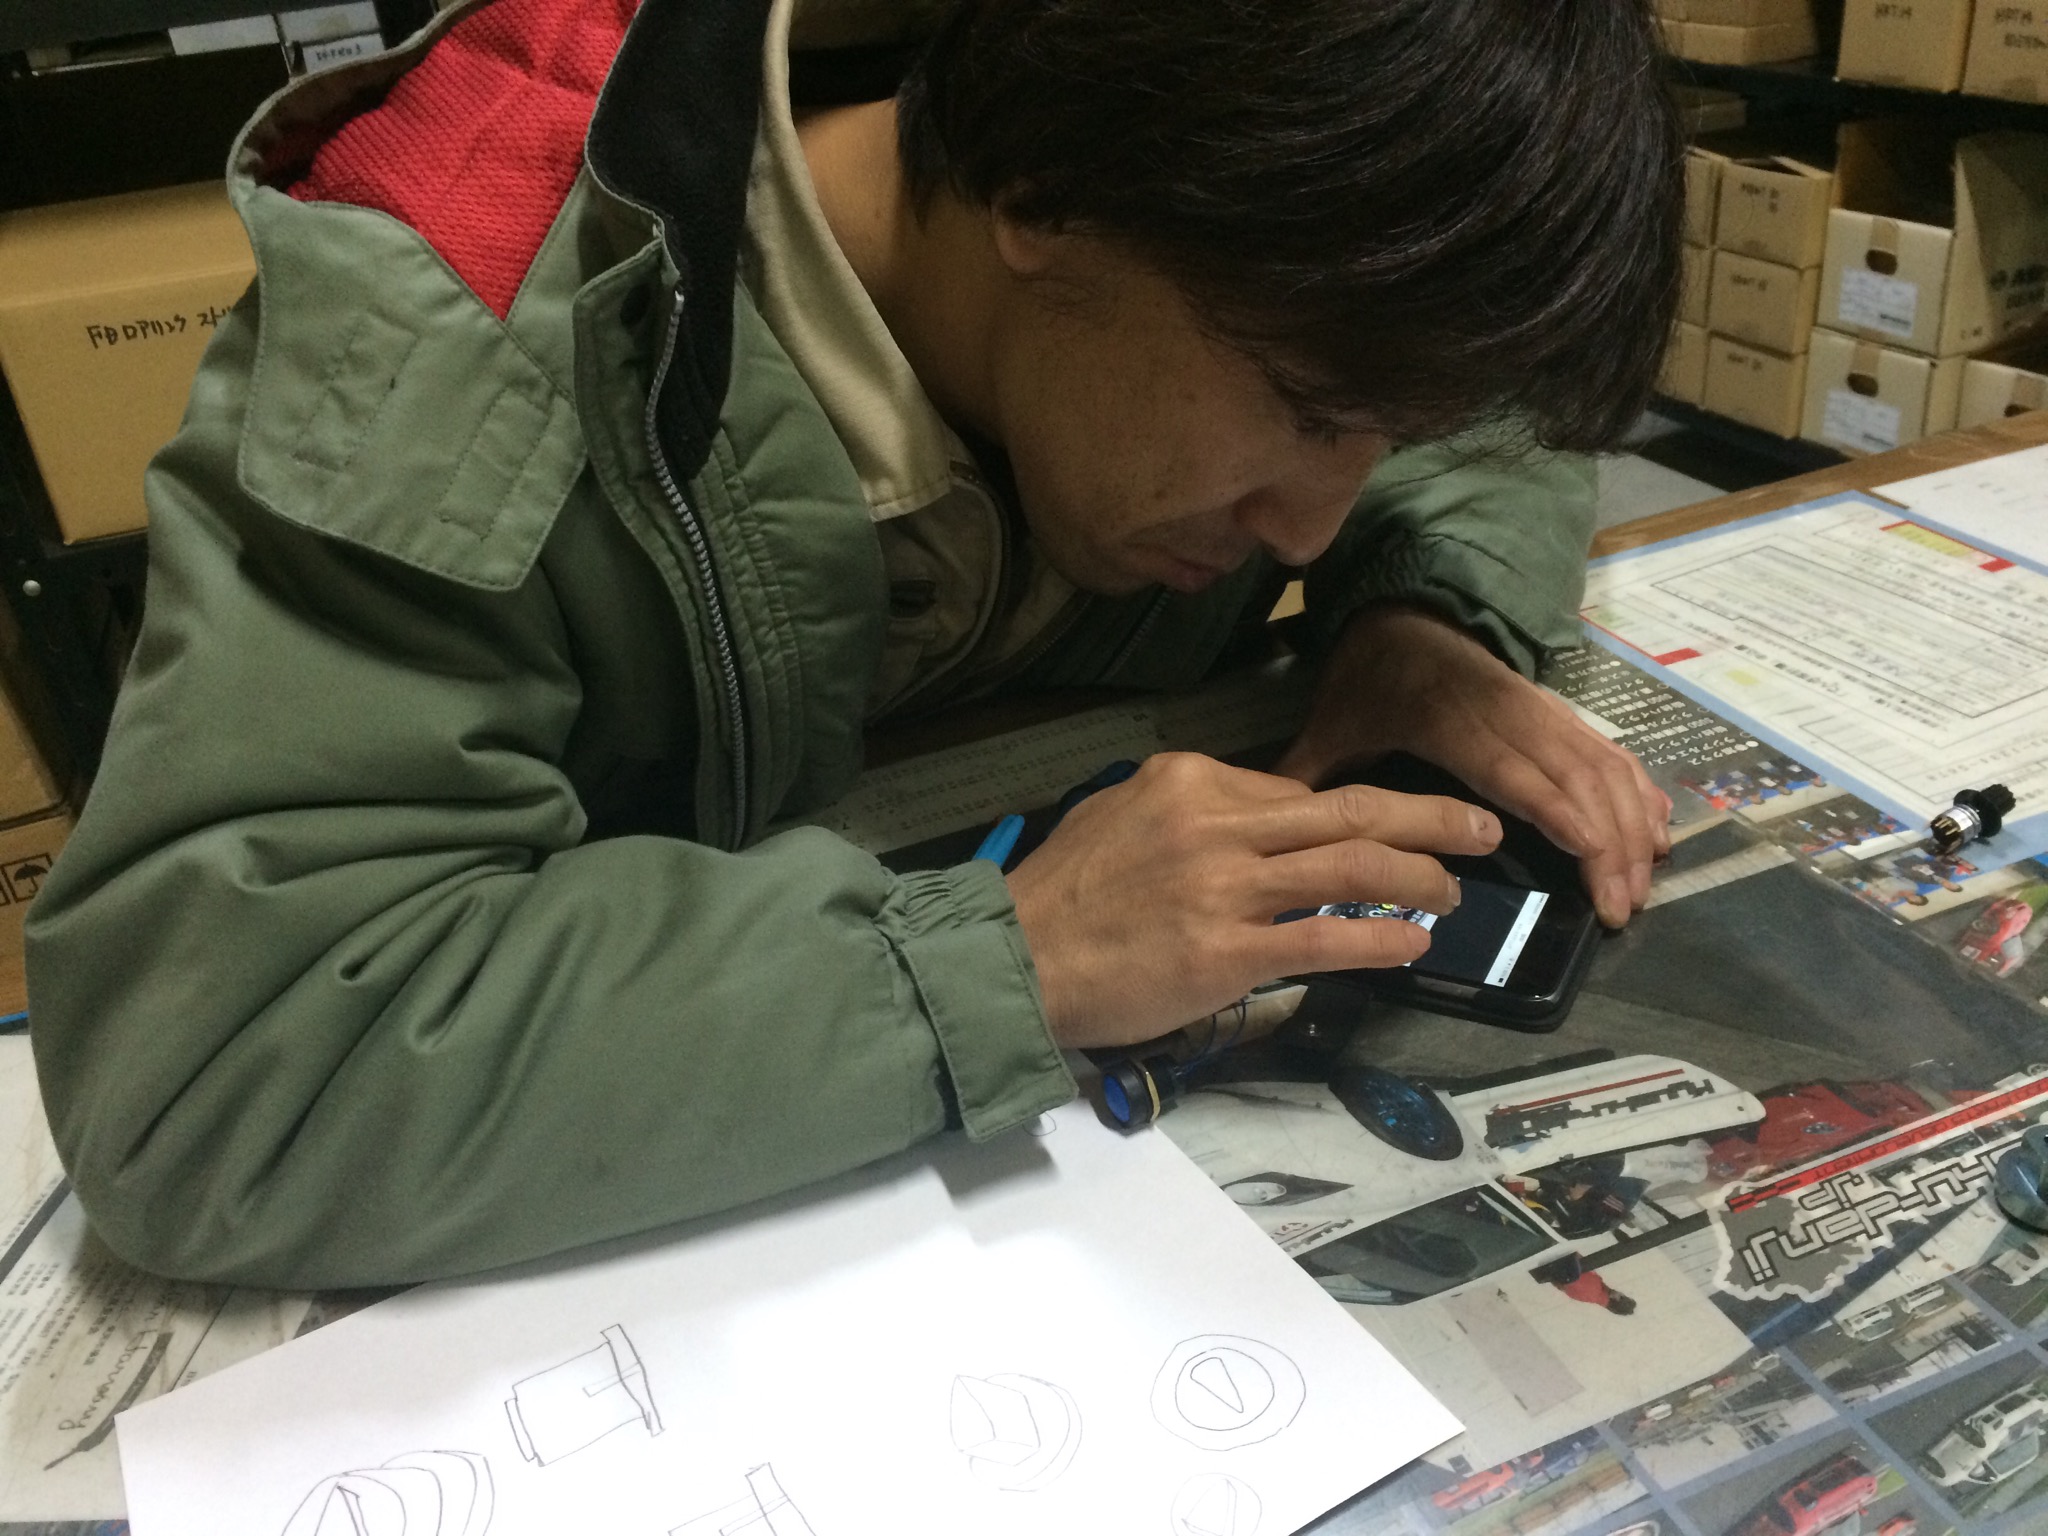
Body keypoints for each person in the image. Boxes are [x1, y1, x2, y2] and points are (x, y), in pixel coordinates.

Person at [25, 0, 1680, 1287]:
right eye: (1311, 414)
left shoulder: (1233, 223)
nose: (1314, 529)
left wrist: (1416, 615)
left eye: (1381, 435)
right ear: (1048, 200)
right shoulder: (453, 342)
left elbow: (1488, 423)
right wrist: (1000, 957)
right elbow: (216, 1078)